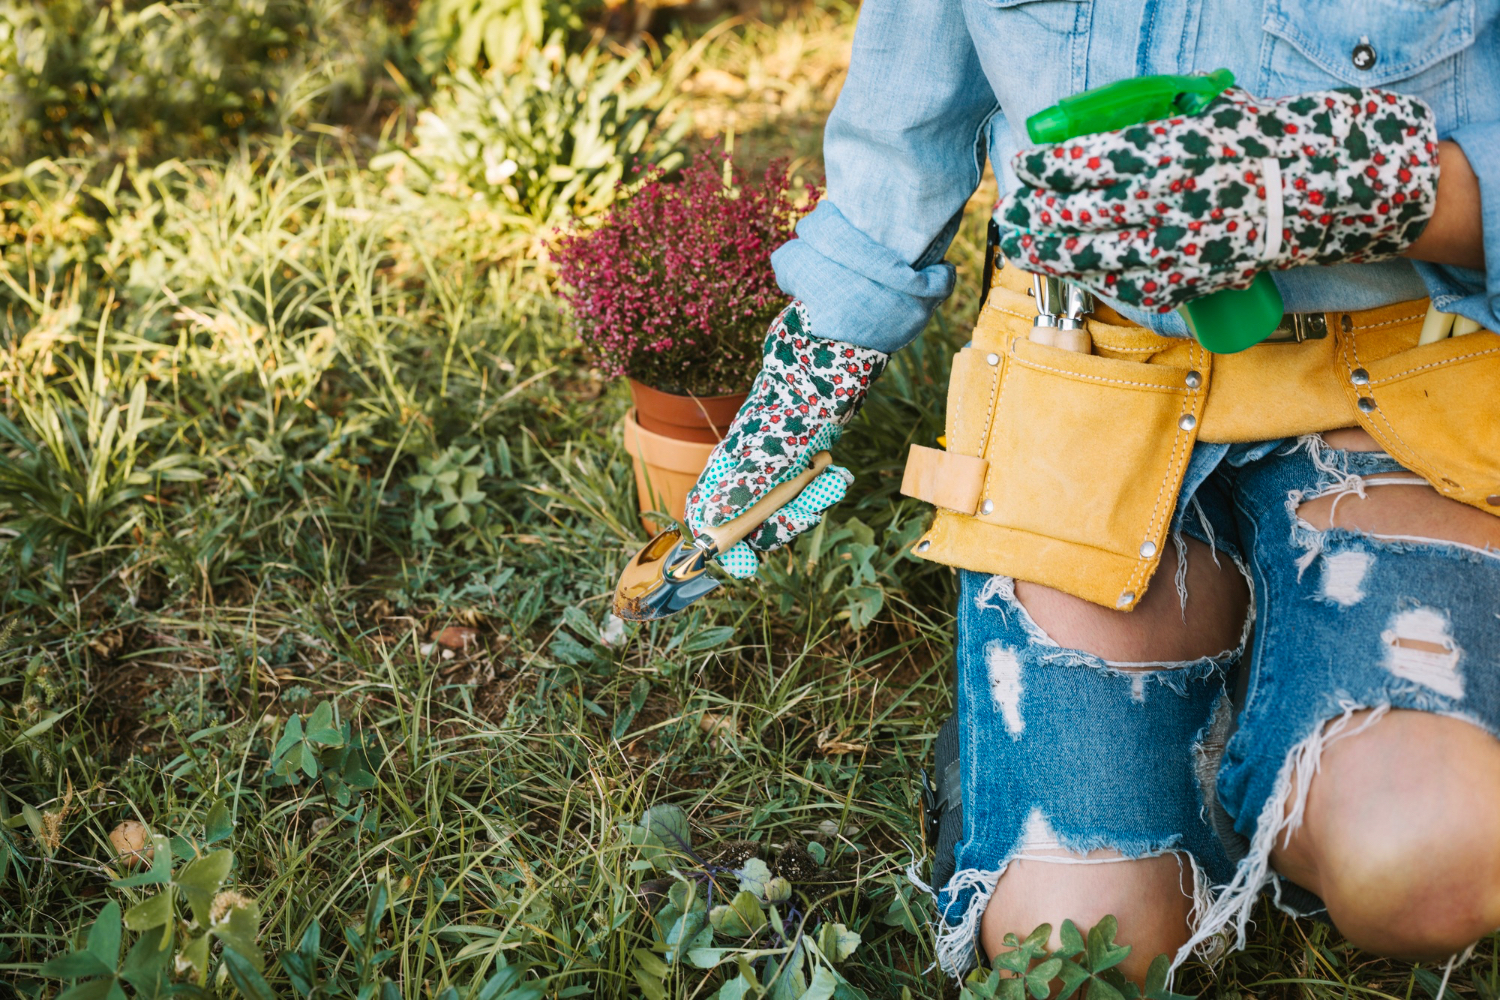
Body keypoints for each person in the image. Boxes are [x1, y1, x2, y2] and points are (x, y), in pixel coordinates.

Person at [681, 0, 1500, 985]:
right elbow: (906, 137)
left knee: (1429, 857)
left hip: (1399, 394)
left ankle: (1278, 720)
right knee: (1079, 951)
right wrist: (805, 385)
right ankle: (1258, 706)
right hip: (1090, 380)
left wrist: (1355, 190)